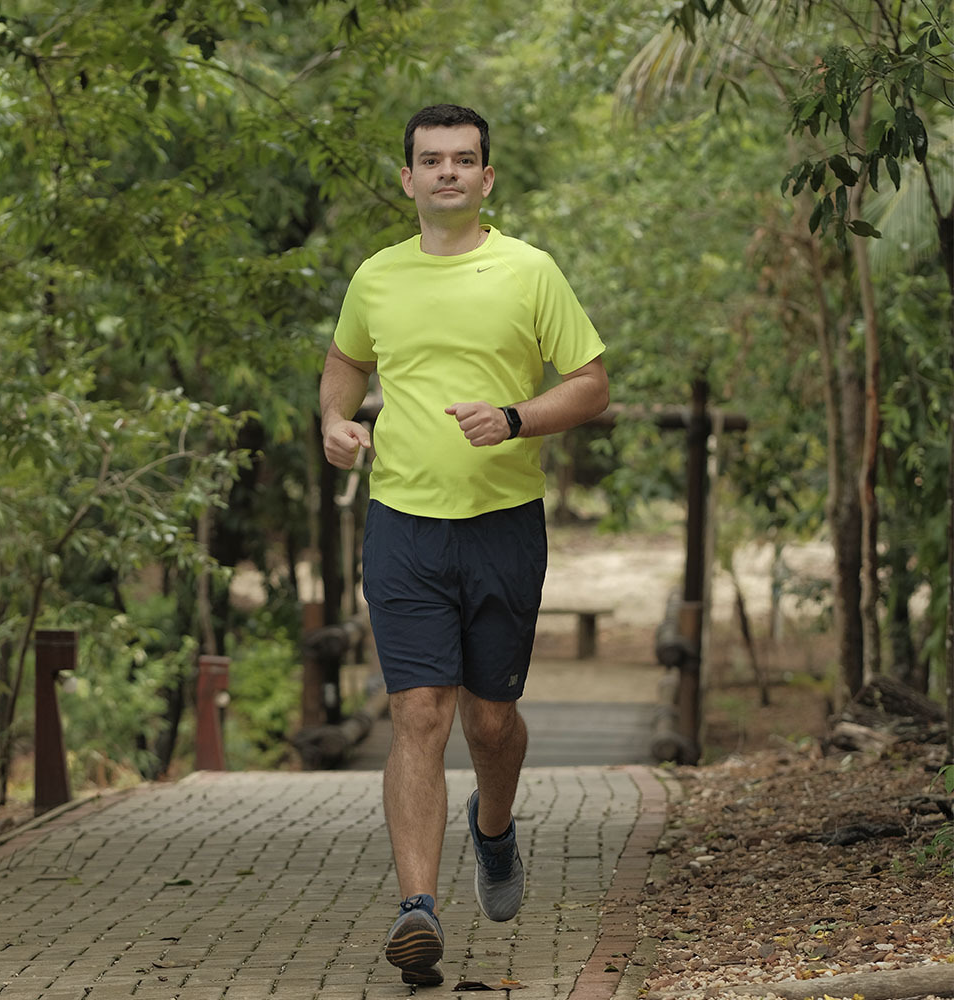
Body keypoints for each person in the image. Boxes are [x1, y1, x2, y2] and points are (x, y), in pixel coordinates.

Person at [319, 104, 609, 988]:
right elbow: (346, 364)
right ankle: (418, 909)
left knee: (489, 721)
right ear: (407, 178)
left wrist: (516, 418)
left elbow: (590, 385)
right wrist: (334, 419)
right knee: (419, 716)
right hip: (403, 523)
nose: (447, 172)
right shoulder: (375, 277)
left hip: (503, 526)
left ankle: (493, 825)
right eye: (430, 160)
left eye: (464, 160)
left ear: (487, 178)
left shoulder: (529, 272)